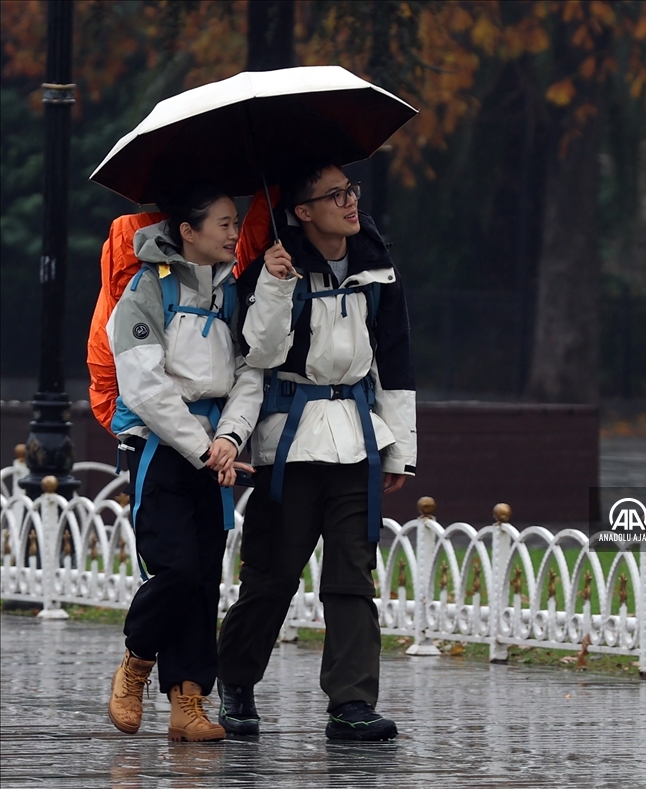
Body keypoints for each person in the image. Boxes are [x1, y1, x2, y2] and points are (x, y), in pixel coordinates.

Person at [216, 158, 416, 742]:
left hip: (359, 439)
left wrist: (399, 449)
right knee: (272, 576)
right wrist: (276, 284)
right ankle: (234, 681)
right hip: (290, 444)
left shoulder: (379, 269)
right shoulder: (270, 270)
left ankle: (351, 704)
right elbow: (257, 352)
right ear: (303, 213)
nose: (350, 203)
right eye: (335, 195)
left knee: (353, 575)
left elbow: (396, 365)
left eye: (350, 190)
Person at [106, 182, 262, 742]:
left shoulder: (232, 294)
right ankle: (136, 663)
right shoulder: (146, 291)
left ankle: (188, 702)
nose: (232, 232)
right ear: (187, 232)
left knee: (202, 579)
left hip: (215, 449)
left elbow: (250, 373)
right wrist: (202, 447)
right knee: (172, 568)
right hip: (161, 449)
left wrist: (230, 437)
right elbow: (144, 386)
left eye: (235, 222)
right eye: (222, 223)